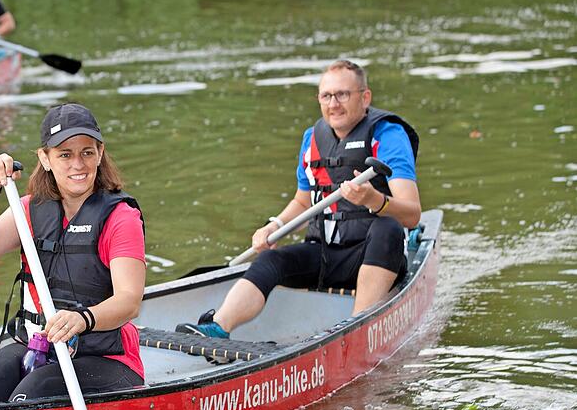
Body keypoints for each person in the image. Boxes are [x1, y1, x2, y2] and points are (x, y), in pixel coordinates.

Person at [177, 60, 421, 342]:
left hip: (374, 253)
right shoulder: (312, 139)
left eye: (343, 94)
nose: (334, 104)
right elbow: (304, 202)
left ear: (365, 97)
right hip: (324, 252)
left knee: (387, 228)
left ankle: (357, 327)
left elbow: (412, 214)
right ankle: (218, 327)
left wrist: (374, 199)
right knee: (271, 258)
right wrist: (274, 225)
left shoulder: (388, 135)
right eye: (326, 96)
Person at [0, 103, 146, 405]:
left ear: (100, 154)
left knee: (27, 398)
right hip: (39, 346)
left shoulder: (120, 217)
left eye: (87, 152)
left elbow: (130, 301)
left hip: (106, 356)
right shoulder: (30, 209)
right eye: (65, 154)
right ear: (45, 159)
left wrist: (82, 318)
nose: (78, 164)